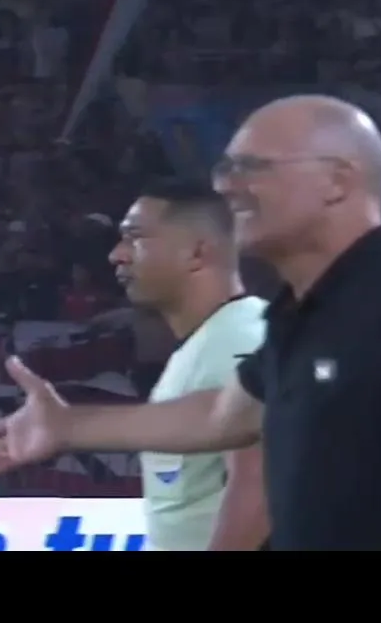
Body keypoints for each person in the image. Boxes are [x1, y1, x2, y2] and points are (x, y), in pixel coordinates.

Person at [0, 95, 381, 551]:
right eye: (225, 167)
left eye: (251, 168)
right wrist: (69, 427)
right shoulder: (297, 315)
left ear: (338, 181)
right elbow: (223, 414)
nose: (225, 185)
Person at [108, 178, 270, 551]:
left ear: (197, 253)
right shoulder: (209, 342)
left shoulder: (240, 340)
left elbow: (260, 488)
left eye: (135, 237)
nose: (117, 254)